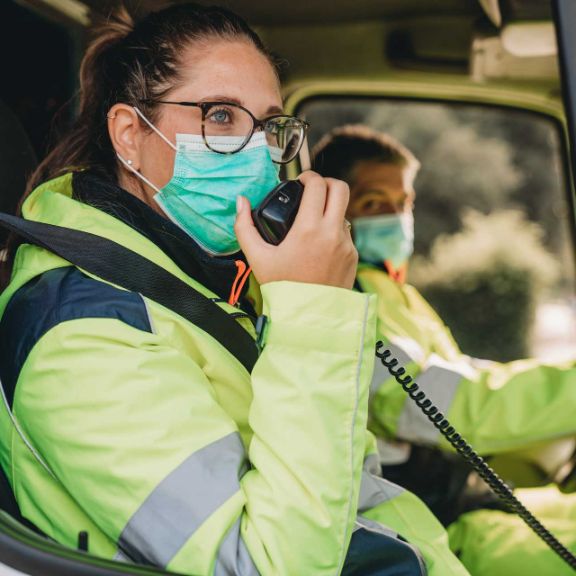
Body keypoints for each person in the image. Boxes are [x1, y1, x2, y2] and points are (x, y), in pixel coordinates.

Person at [0, 5, 472, 576]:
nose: (255, 149)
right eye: (221, 115)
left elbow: (342, 480)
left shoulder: (209, 281)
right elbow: (270, 566)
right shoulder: (81, 337)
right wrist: (312, 311)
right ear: (129, 135)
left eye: (268, 124)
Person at [312, 124, 576, 576]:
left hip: (466, 494)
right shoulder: (339, 301)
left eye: (404, 204)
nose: (395, 217)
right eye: (375, 204)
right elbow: (438, 404)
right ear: (331, 208)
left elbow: (460, 374)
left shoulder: (395, 292)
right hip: (433, 522)